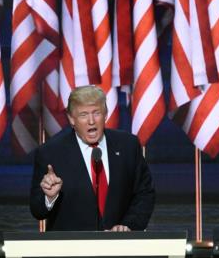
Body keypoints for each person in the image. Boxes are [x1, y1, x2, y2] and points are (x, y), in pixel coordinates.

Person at [30, 85, 155, 231]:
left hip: (120, 246)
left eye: (96, 113)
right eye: (83, 115)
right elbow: (37, 210)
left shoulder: (128, 145)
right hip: (71, 250)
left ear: (106, 114)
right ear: (71, 119)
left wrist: (128, 225)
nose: (91, 121)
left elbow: (144, 194)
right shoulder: (50, 153)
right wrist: (49, 198)